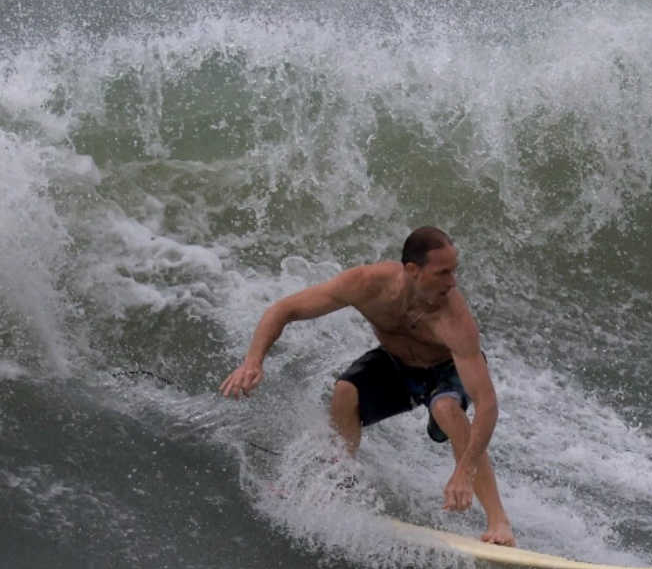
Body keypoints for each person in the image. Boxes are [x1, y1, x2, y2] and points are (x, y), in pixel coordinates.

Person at [220, 227, 515, 546]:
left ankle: (499, 521)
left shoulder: (455, 321)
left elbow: (487, 405)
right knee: (346, 391)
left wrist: (464, 470)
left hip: (444, 370)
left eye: (454, 271)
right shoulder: (364, 285)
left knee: (446, 409)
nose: (452, 281)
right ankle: (337, 483)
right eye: (443, 272)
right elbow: (284, 309)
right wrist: (253, 359)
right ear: (413, 271)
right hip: (398, 364)